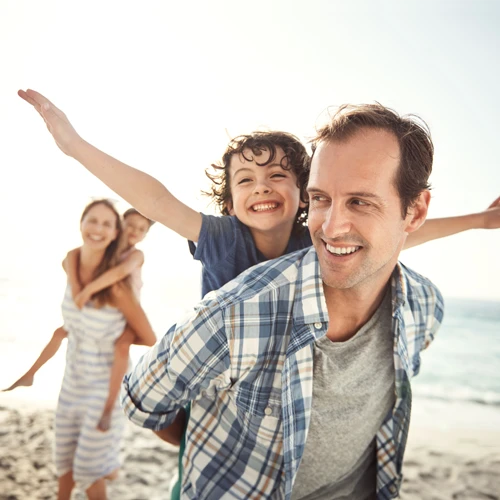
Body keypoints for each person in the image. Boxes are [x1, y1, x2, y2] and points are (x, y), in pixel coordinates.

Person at [16, 90, 500, 498]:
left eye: (277, 177)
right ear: (228, 200)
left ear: (303, 191)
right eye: (245, 180)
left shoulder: (318, 238)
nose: (261, 187)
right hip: (214, 379)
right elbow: (156, 199)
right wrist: (74, 145)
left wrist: (479, 220)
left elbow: (400, 232)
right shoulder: (223, 238)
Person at [2, 208, 156, 432]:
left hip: (126, 317)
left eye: (141, 229)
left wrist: (86, 291)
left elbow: (118, 274)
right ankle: (30, 374)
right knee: (60, 333)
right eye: (130, 225)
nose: (134, 231)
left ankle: (108, 408)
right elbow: (71, 257)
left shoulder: (135, 255)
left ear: (144, 236)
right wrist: (75, 285)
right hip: (103, 314)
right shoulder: (106, 251)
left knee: (121, 347)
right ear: (119, 225)